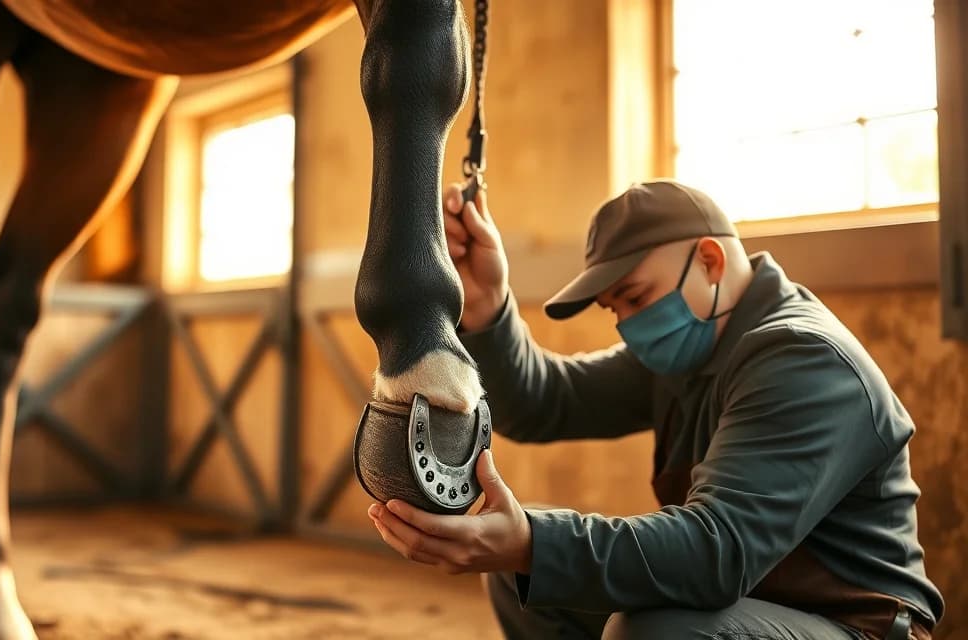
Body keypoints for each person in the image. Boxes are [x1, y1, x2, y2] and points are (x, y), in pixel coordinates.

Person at [366, 180, 944, 639]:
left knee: (656, 630)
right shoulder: (691, 349)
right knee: (529, 581)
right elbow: (547, 400)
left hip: (856, 628)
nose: (627, 324)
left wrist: (533, 541)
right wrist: (489, 306)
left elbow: (717, 550)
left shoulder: (803, 358)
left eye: (637, 298)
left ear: (712, 262)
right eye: (615, 309)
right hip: (749, 608)